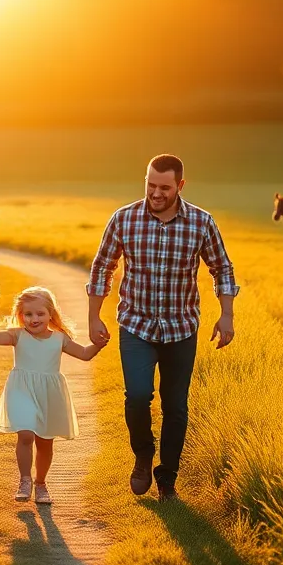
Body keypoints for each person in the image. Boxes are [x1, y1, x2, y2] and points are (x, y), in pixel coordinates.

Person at [87, 154, 238, 502]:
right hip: (136, 325)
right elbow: (101, 269)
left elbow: (223, 270)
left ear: (180, 186)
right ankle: (143, 453)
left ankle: (167, 478)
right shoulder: (124, 219)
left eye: (164, 187)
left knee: (176, 406)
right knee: (138, 396)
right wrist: (94, 317)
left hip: (181, 329)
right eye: (150, 184)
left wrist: (226, 313)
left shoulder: (201, 223)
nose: (155, 193)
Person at [0, 286, 106, 504]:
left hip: (49, 395)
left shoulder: (59, 339)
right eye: (28, 314)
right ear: (21, 316)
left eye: (40, 314)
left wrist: (98, 345)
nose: (34, 319)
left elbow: (85, 354)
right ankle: (24, 480)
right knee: (26, 435)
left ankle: (40, 483)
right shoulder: (17, 335)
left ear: (51, 314)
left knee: (45, 441)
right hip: (22, 390)